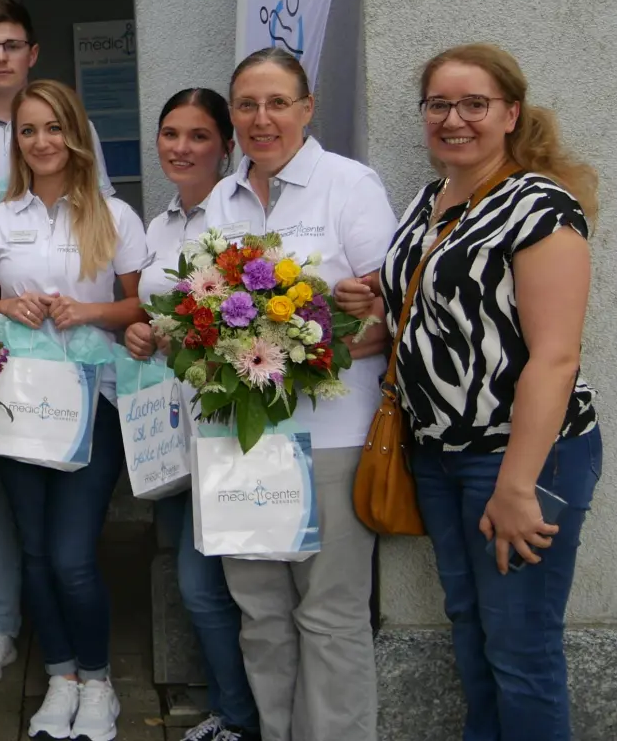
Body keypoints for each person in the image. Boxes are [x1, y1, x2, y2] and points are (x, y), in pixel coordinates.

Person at [335, 44, 600, 740]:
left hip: (519, 455)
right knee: (473, 637)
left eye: (474, 104)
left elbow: (555, 357)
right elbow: (433, 322)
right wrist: (371, 306)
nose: (454, 119)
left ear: (510, 113)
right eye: (439, 105)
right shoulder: (429, 202)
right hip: (439, 455)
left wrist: (517, 486)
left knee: (520, 649)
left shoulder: (540, 206)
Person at [203, 48, 394, 741]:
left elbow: (391, 314)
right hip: (240, 441)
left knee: (331, 615)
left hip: (333, 438)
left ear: (307, 110)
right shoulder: (218, 202)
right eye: (247, 105)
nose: (262, 119)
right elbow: (195, 315)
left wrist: (312, 341)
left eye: (277, 103)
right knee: (261, 615)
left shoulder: (350, 185)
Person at [0, 0, 115, 684]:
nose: (1, 55)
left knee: (62, 536)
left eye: (13, 44)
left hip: (81, 371)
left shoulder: (78, 136)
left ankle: (73, 658)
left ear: (32, 53)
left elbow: (108, 243)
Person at [0, 79, 148, 741]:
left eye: (52, 128)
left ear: (74, 134)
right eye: (28, 130)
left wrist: (91, 311)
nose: (41, 142)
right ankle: (61, 678)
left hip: (91, 401)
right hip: (18, 405)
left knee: (73, 556)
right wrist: (4, 307)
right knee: (37, 555)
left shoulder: (112, 214)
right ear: (16, 142)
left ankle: (99, 684)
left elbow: (141, 305)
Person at [124, 89, 260, 741]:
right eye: (171, 133)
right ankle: (235, 715)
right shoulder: (161, 224)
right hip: (172, 429)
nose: (181, 146)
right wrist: (144, 332)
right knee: (196, 583)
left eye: (199, 135)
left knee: (222, 587)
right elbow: (153, 310)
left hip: (229, 429)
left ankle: (250, 718)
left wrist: (181, 330)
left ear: (226, 146)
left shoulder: (240, 220)